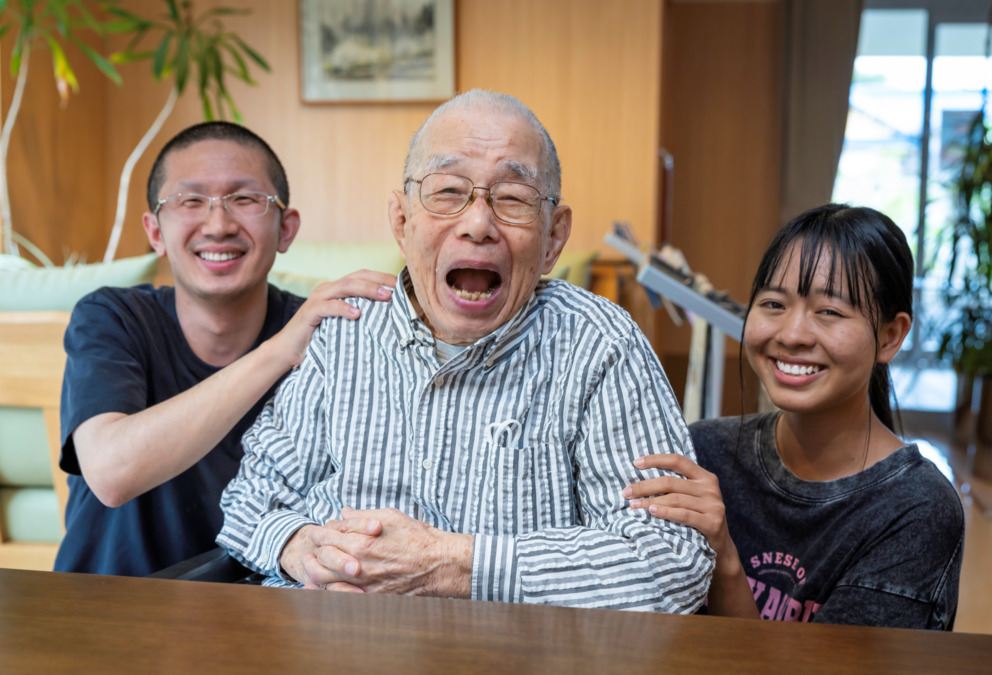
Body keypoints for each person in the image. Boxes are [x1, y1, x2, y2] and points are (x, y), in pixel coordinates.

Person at [217, 90, 714, 612]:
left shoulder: (600, 345)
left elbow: (671, 564)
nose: (478, 224)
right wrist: (304, 550)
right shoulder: (345, 329)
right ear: (403, 222)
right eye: (449, 192)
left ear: (554, 239)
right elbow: (249, 501)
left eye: (513, 198)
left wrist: (453, 564)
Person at [55, 121, 396, 576]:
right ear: (155, 231)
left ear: (286, 229)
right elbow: (112, 473)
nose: (218, 224)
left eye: (245, 199)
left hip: (260, 617)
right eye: (190, 201)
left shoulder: (332, 334)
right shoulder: (111, 317)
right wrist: (280, 350)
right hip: (108, 613)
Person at [624, 204, 964, 629]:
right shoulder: (702, 451)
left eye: (830, 312)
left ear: (890, 336)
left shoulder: (914, 509)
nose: (791, 335)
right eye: (773, 303)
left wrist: (726, 564)